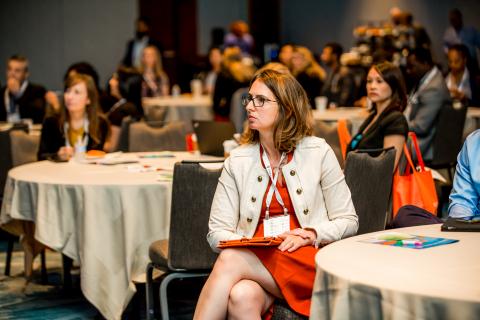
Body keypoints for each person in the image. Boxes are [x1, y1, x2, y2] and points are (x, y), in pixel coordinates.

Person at [194, 69, 358, 319]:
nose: (250, 106)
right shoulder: (238, 160)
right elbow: (216, 232)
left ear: (286, 108)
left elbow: (349, 221)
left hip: (305, 254)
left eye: (261, 100)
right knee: (241, 296)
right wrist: (248, 246)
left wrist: (312, 233)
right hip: (257, 257)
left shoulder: (318, 152)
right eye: (249, 99)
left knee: (229, 260)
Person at [392, 129, 479, 227]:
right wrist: (456, 226)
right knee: (405, 214)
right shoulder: (473, 141)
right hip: (473, 225)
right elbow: (463, 200)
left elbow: (421, 126)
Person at [347, 62, 409, 169]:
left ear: (394, 85)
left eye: (379, 81)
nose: (372, 86)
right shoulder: (373, 116)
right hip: (354, 178)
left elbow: (388, 168)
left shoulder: (396, 119)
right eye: (369, 81)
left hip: (371, 183)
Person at [37, 73, 109, 161]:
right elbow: (41, 156)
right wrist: (57, 155)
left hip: (88, 173)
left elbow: (98, 156)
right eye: (68, 91)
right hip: (58, 173)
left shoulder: (100, 124)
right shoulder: (51, 122)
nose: (70, 97)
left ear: (88, 99)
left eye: (77, 92)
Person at [404, 48, 450, 161]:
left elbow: (421, 127)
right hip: (415, 137)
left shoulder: (434, 88)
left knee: (381, 145)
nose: (408, 71)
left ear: (425, 63)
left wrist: (395, 124)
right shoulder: (426, 80)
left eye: (412, 66)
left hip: (423, 145)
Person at [104, 67, 143, 151]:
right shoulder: (133, 106)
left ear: (124, 85)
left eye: (115, 79)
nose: (110, 82)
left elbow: (112, 147)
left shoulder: (120, 113)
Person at [0, 55, 47, 124]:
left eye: (17, 70)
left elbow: (37, 117)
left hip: (28, 133)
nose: (12, 74)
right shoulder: (2, 92)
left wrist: (17, 95)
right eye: (9, 69)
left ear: (26, 74)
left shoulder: (37, 91)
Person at [212, 47, 255, 121]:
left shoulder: (224, 74)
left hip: (229, 116)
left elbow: (216, 100)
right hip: (249, 113)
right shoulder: (250, 72)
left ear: (224, 58)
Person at [320, 42, 356, 108]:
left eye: (325, 53)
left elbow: (346, 96)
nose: (322, 56)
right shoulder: (331, 72)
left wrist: (336, 105)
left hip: (342, 112)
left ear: (334, 56)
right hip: (332, 110)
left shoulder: (345, 72)